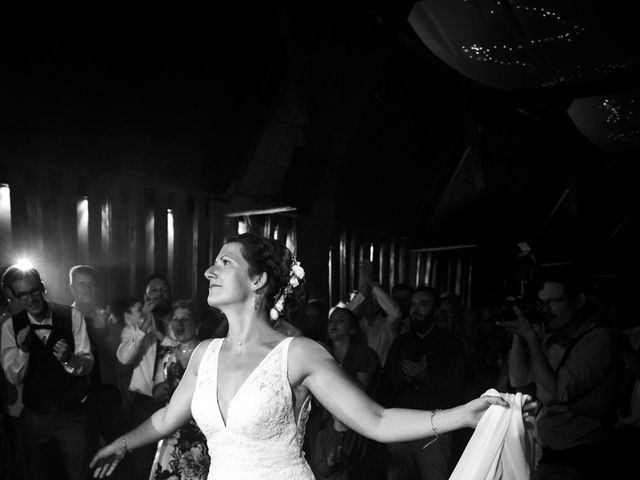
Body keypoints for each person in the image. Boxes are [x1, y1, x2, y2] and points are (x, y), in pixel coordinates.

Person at [90, 232, 536, 480]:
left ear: (260, 279)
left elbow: (376, 421)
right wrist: (119, 443)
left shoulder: (298, 354)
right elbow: (168, 418)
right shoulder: (205, 353)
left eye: (224, 263)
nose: (209, 270)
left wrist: (462, 415)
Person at [499, 266, 626, 480]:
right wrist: (519, 334)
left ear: (578, 301)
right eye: (543, 303)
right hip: (549, 454)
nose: (546, 310)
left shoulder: (601, 339)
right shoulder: (553, 341)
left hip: (580, 458)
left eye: (554, 302)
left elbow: (551, 395)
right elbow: (519, 380)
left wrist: (531, 337)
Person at [0, 264, 94, 480]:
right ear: (11, 295)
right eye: (22, 294)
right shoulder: (9, 327)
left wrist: (70, 359)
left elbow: (88, 363)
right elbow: (14, 377)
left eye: (34, 291)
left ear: (42, 286)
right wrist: (23, 351)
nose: (31, 299)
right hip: (35, 416)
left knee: (79, 474)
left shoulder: (72, 315)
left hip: (73, 415)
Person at [379, 285, 471, 480]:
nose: (415, 310)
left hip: (435, 428)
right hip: (400, 426)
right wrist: (407, 378)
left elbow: (457, 388)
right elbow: (385, 385)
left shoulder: (450, 343)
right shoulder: (401, 343)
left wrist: (425, 376)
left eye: (423, 304)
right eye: (413, 305)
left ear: (436, 311)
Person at [68, 265, 130, 474]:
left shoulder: (107, 318)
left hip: (107, 392)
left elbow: (120, 356)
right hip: (77, 397)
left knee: (118, 450)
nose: (87, 289)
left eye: (91, 285)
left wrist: (104, 331)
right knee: (83, 454)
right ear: (72, 288)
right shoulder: (64, 318)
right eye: (82, 284)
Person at [116, 274, 178, 480]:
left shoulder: (178, 325)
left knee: (170, 461)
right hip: (144, 403)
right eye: (153, 290)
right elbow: (124, 360)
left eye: (163, 291)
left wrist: (160, 334)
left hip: (174, 402)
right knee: (141, 462)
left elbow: (183, 353)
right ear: (145, 295)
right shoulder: (132, 329)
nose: (159, 295)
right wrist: (143, 330)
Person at [149, 299, 210, 480]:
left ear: (197, 325)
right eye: (175, 319)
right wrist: (169, 383)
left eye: (185, 319)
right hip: (172, 431)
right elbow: (156, 394)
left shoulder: (208, 354)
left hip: (200, 432)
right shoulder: (167, 356)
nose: (179, 323)